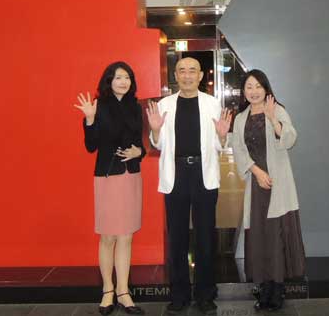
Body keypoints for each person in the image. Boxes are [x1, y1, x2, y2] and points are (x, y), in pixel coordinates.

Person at [146, 57, 232, 314]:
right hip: (176, 175)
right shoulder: (164, 105)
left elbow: (219, 144)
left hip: (203, 175)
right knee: (177, 238)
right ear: (175, 75)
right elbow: (158, 144)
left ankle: (206, 294)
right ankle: (179, 294)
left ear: (200, 75)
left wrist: (222, 135)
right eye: (182, 71)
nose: (187, 75)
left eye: (192, 71)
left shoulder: (212, 103)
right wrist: (155, 131)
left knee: (205, 236)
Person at [231, 69, 305, 311]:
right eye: (249, 87)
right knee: (259, 236)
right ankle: (263, 288)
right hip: (257, 183)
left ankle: (278, 289)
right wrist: (256, 172)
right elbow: (238, 149)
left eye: (258, 86)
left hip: (278, 183)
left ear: (265, 89)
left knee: (275, 236)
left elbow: (290, 139)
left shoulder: (277, 109)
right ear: (244, 91)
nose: (253, 91)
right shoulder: (240, 118)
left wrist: (273, 120)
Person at [75, 62, 146, 315]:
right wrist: (89, 119)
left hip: (130, 176)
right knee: (108, 236)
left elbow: (141, 142)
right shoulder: (100, 106)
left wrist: (139, 152)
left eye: (127, 77)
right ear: (109, 81)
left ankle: (123, 292)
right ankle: (108, 290)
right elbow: (91, 146)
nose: (123, 82)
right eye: (118, 77)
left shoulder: (136, 107)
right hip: (107, 175)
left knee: (126, 236)